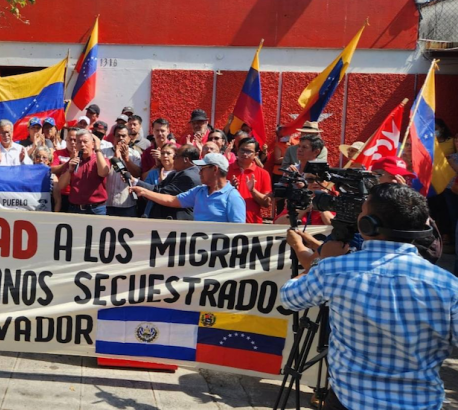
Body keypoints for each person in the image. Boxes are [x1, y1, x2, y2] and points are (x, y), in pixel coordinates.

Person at [281, 183, 458, 410]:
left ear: (368, 225)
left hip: (348, 401)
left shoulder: (335, 270)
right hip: (420, 403)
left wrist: (319, 263)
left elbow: (289, 297)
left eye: (362, 211)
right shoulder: (448, 286)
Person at [135, 152, 246, 223]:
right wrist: (145, 192)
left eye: (202, 168)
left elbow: (239, 233)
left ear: (215, 169)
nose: (199, 172)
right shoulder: (199, 191)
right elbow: (172, 200)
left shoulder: (233, 197)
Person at [133, 145, 203, 220]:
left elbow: (163, 194)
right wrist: (135, 181)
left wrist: (144, 192)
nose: (173, 158)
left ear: (186, 159)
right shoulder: (176, 173)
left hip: (178, 222)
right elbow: (157, 188)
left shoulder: (188, 176)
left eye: (176, 156)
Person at [57, 129, 110, 215]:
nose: (82, 144)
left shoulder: (99, 160)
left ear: (92, 144)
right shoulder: (73, 161)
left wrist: (98, 149)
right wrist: (69, 171)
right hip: (75, 209)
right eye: (79, 142)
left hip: (96, 209)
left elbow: (103, 172)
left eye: (85, 142)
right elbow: (61, 186)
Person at [227, 137, 272, 223]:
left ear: (256, 154)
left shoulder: (263, 174)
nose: (244, 154)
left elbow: (266, 203)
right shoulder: (226, 170)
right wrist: (229, 189)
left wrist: (253, 191)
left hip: (252, 223)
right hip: (228, 222)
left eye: (249, 151)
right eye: (242, 150)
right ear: (237, 150)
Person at [104, 124, 142, 217]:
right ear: (114, 137)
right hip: (106, 203)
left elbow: (137, 174)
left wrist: (127, 159)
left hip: (126, 204)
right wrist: (115, 157)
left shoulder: (135, 154)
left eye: (123, 136)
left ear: (129, 138)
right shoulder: (104, 152)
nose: (120, 138)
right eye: (118, 135)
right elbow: (102, 173)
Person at [51, 127, 78, 212]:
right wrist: (70, 161)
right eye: (70, 139)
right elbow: (52, 169)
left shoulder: (84, 155)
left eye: (75, 140)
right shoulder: (58, 153)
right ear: (66, 140)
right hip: (61, 195)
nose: (72, 142)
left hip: (78, 197)